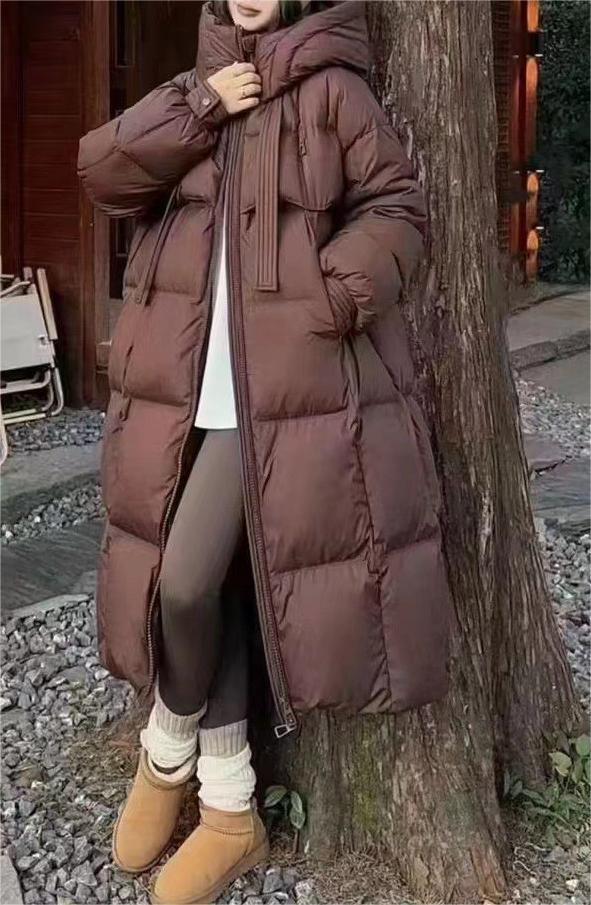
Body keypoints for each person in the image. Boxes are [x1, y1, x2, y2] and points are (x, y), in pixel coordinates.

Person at [77, 1, 452, 902]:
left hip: (276, 399)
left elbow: (399, 207)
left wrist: (329, 300)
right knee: (220, 587)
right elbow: (103, 175)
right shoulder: (198, 88)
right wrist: (202, 106)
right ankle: (229, 808)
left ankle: (166, 749)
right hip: (186, 394)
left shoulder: (333, 90)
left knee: (184, 583)